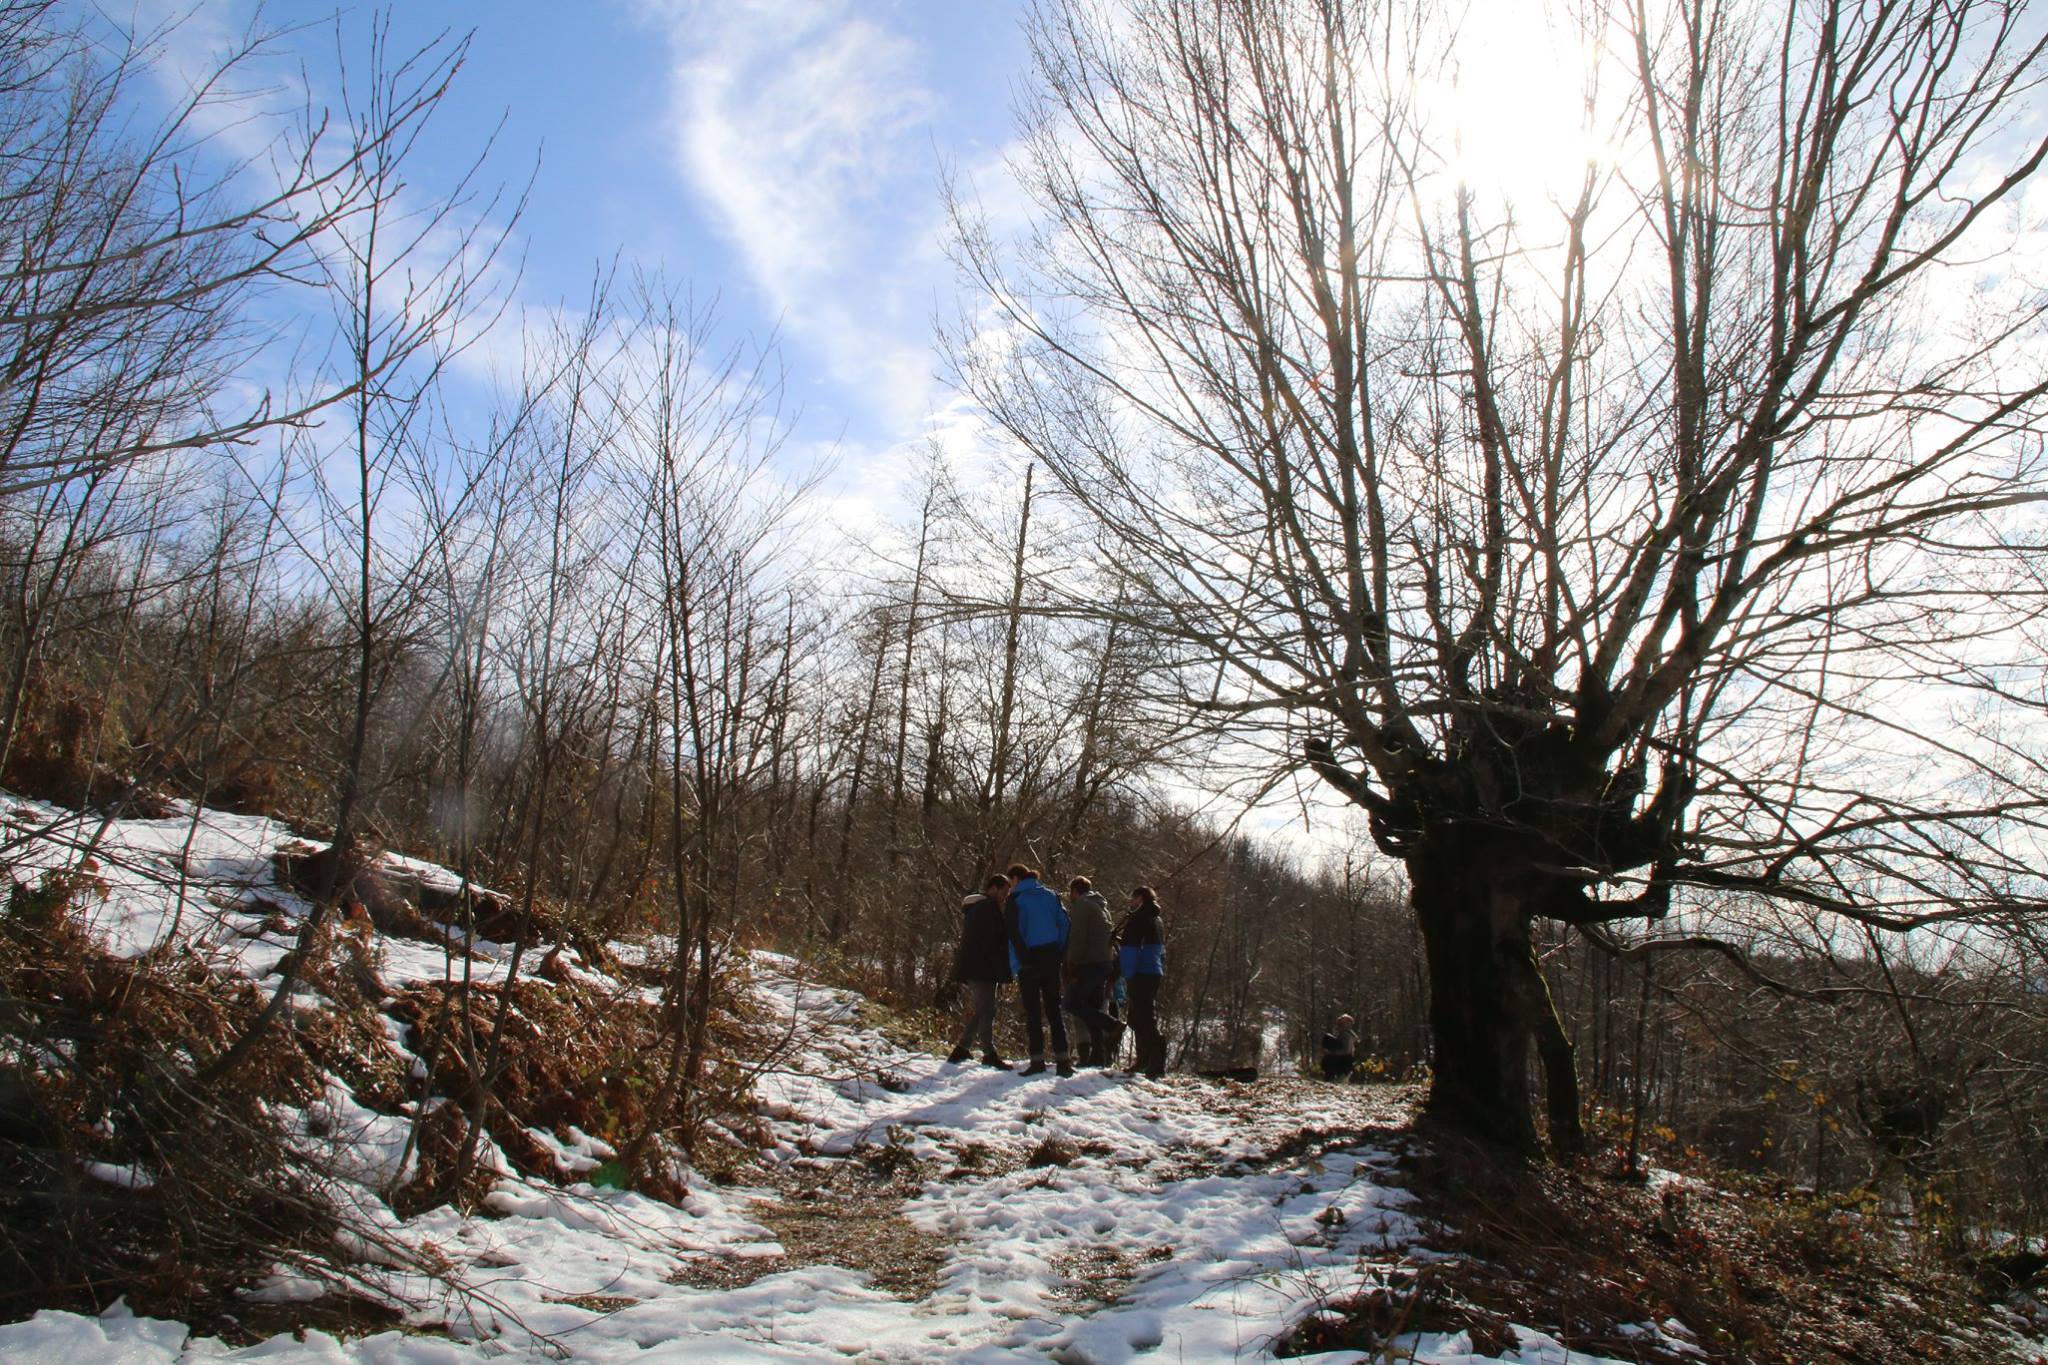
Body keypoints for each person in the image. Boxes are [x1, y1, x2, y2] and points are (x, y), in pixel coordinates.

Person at [1003, 862, 1073, 1076]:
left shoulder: (1016, 900)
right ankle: (1063, 1061)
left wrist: (1021, 960)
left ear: (1015, 879)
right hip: (1051, 954)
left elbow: (1014, 933)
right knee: (1054, 1009)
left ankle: (1037, 1061)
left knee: (1033, 1011)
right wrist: (1059, 950)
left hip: (1029, 957)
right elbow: (1065, 924)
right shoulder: (1051, 895)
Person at [946, 874, 1014, 1069]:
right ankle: (988, 1053)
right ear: (993, 888)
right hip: (982, 968)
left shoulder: (978, 909)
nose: (1005, 896)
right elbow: (991, 940)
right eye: (1004, 891)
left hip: (978, 967)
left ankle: (962, 1048)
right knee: (987, 1010)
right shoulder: (987, 909)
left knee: (984, 1009)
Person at [1062, 876, 1120, 1066]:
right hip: (1105, 962)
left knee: (1071, 1003)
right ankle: (1098, 1056)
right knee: (1093, 1008)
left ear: (1075, 891)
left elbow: (1078, 938)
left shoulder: (1082, 906)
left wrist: (1072, 964)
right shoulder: (1102, 906)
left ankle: (1112, 1024)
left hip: (1088, 963)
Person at [1114, 885, 1167, 1079]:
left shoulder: (1137, 920)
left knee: (1143, 1019)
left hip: (1140, 974)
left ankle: (1156, 1061)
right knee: (1138, 1018)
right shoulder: (1156, 920)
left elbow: (1130, 951)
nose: (1130, 901)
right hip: (1153, 971)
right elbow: (1161, 951)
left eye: (1133, 898)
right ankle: (1145, 1059)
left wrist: (1127, 975)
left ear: (1140, 899)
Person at [1320, 1013, 1358, 1082]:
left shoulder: (1346, 1035)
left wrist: (1332, 1053)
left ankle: (1334, 1078)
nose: (1338, 1025)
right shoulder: (1345, 1034)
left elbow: (1346, 1051)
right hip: (1345, 1059)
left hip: (1344, 1061)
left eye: (1341, 1024)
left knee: (1328, 1059)